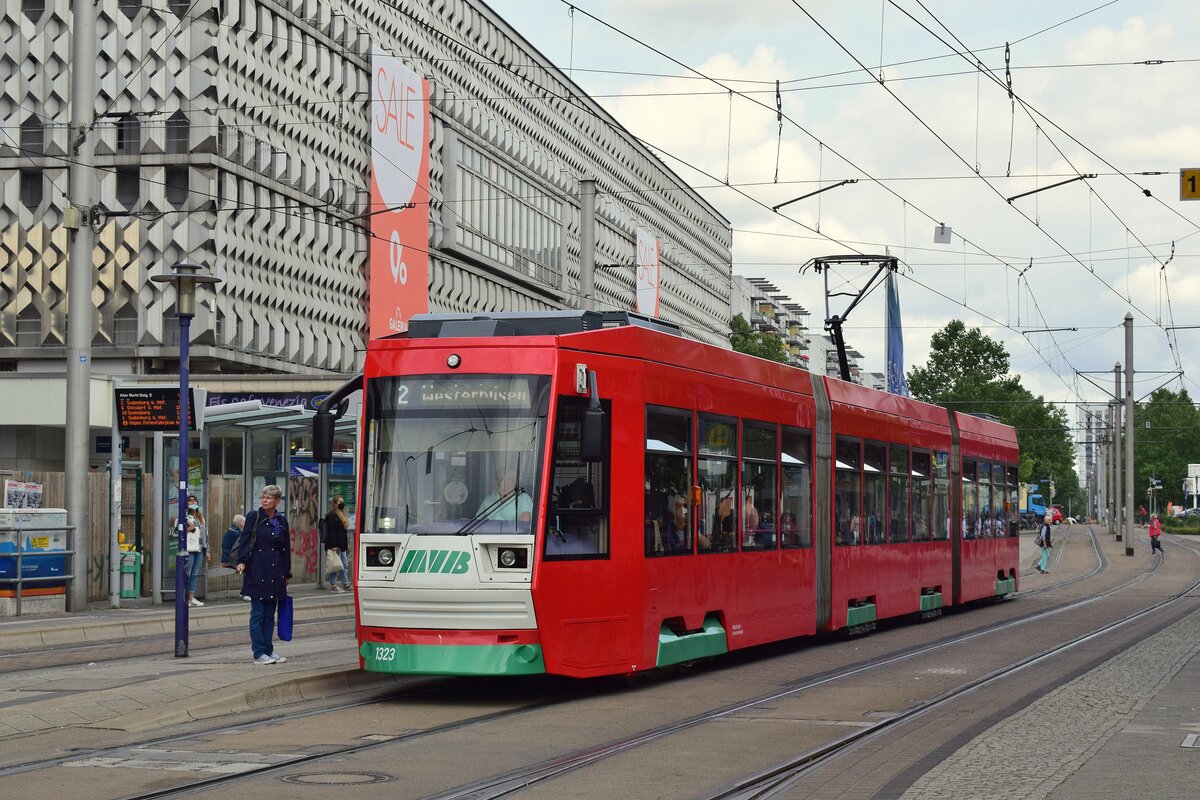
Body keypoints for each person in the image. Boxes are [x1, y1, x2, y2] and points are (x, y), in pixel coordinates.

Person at [236, 485, 292, 665]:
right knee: (258, 614)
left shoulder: (282, 521)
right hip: (257, 570)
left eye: (268, 497)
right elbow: (245, 539)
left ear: (277, 501)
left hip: (276, 572)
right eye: (263, 497)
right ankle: (258, 653)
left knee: (270, 615)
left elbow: (285, 549)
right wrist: (241, 561)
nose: (264, 500)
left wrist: (287, 574)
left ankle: (268, 650)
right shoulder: (254, 516)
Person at [323, 496, 351, 591]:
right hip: (336, 545)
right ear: (335, 503)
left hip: (342, 544)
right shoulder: (332, 516)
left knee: (344, 564)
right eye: (339, 502)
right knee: (335, 565)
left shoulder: (342, 514)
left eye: (342, 501)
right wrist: (332, 545)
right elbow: (331, 532)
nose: (341, 503)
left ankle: (345, 583)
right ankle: (334, 584)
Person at [185, 494, 208, 607]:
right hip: (189, 548)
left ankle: (191, 598)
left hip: (199, 548)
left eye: (194, 501)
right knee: (187, 573)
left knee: (194, 574)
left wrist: (206, 550)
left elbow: (204, 535)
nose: (193, 503)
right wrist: (190, 528)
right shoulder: (185, 516)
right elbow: (177, 531)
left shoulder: (200, 517)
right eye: (190, 501)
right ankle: (185, 598)